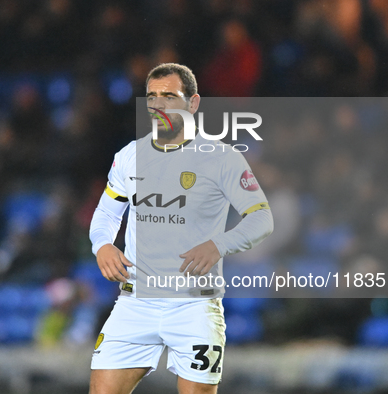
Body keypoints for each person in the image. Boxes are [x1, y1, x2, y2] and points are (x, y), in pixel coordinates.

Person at [89, 63, 274, 394]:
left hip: (194, 306)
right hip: (135, 302)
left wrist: (219, 244)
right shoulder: (130, 156)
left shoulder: (222, 158)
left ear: (193, 103)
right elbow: (106, 212)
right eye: (152, 96)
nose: (158, 105)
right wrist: (102, 244)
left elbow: (262, 218)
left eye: (169, 96)